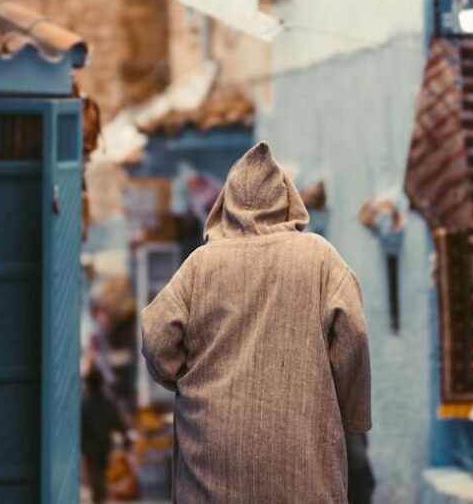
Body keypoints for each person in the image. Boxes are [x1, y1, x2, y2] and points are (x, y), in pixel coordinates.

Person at [141, 142, 372, 503]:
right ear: (288, 200)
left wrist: (187, 377)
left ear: (225, 204)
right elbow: (353, 334)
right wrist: (351, 413)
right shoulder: (320, 258)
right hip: (302, 464)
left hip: (212, 461)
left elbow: (156, 340)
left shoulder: (200, 265)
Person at [81, 365, 127, 504]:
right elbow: (118, 422)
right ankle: (100, 497)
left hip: (90, 446)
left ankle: (99, 498)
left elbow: (81, 425)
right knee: (100, 472)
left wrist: (81, 445)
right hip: (104, 445)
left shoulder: (85, 404)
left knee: (95, 473)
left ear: (88, 383)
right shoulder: (108, 402)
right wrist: (125, 436)